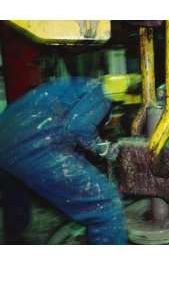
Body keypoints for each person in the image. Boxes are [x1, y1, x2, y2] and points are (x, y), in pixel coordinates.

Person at [0, 77, 127, 244]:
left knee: (16, 187)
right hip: (33, 146)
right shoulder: (101, 92)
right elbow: (79, 127)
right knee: (106, 205)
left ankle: (14, 237)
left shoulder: (73, 87)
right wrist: (104, 148)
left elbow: (67, 136)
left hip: (4, 138)